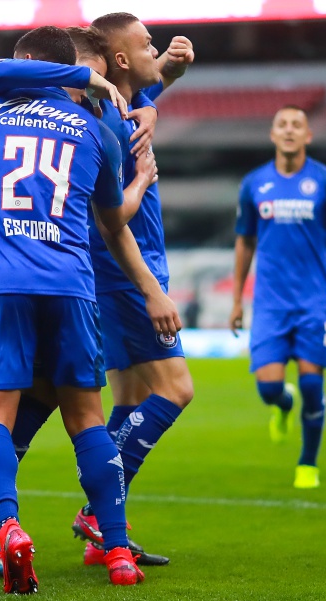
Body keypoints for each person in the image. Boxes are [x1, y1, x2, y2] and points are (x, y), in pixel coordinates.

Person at [0, 25, 179, 592]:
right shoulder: (97, 130)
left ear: (25, 65)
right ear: (73, 67)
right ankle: (118, 552)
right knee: (89, 422)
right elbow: (113, 221)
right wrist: (140, 170)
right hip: (72, 286)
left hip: (0, 285)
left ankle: (9, 528)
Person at [65, 14, 196, 564]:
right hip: (125, 275)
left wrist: (168, 70)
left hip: (114, 275)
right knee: (176, 388)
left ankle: (105, 534)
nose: (153, 50)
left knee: (131, 399)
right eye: (146, 45)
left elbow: (140, 87)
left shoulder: (117, 104)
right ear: (118, 61)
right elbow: (110, 218)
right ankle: (97, 512)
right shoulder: (109, 118)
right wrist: (151, 290)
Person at [230, 105, 326, 489]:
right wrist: (235, 301)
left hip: (314, 301)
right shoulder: (254, 184)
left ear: (308, 136)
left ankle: (307, 463)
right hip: (269, 304)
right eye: (283, 124)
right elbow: (244, 241)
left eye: (297, 125)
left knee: (313, 384)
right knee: (269, 389)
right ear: (273, 135)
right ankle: (283, 405)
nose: (290, 130)